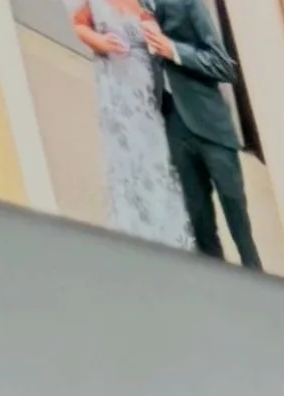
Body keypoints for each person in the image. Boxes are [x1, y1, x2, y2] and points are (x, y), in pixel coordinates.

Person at [137, 0, 263, 270]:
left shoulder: (189, 4)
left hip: (211, 127)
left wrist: (174, 51)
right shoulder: (136, 7)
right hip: (172, 123)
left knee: (236, 216)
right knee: (199, 219)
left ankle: (258, 284)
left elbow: (225, 66)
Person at [68, 0, 189, 249]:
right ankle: (133, 225)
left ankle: (165, 224)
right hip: (115, 85)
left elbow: (168, 29)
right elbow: (80, 25)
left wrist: (156, 34)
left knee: (157, 152)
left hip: (148, 82)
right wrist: (100, 42)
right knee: (126, 154)